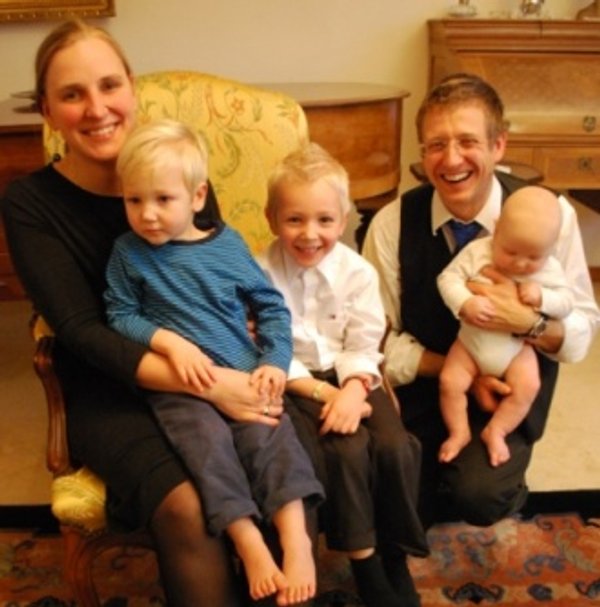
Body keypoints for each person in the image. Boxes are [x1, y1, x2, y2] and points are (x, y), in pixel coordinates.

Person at [0, 19, 288, 607]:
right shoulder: (29, 203)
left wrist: (251, 352)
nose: (96, 108)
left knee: (280, 459)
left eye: (109, 85)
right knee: (185, 504)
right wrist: (212, 386)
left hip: (212, 363)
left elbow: (222, 275)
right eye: (72, 94)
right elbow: (82, 331)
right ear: (48, 111)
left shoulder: (178, 173)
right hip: (110, 389)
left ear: (132, 87)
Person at [362, 73, 600, 529]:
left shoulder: (552, 216)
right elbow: (376, 340)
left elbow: (581, 333)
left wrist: (527, 321)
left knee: (479, 495)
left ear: (498, 145)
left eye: (468, 141)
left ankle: (497, 473)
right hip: (433, 382)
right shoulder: (392, 224)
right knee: (390, 495)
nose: (451, 159)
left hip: (510, 389)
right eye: (436, 145)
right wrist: (460, 373)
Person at [104, 119, 324, 606]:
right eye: (134, 200)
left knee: (275, 444)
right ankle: (248, 541)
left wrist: (275, 361)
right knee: (207, 449)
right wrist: (168, 342)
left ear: (197, 196)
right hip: (181, 390)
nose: (147, 214)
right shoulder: (128, 254)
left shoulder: (227, 246)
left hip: (246, 375)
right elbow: (119, 315)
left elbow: (271, 308)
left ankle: (296, 544)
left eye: (163, 199)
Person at [260, 143, 429, 607]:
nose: (310, 234)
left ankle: (395, 551)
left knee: (395, 446)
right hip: (296, 381)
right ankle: (364, 561)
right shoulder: (260, 274)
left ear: (344, 219)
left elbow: (365, 342)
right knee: (345, 449)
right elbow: (268, 350)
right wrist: (323, 393)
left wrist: (353, 390)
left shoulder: (358, 273)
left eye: (324, 220)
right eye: (294, 219)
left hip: (354, 373)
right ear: (272, 219)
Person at [437, 186, 574, 467]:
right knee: (449, 382)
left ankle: (497, 431)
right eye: (510, 251)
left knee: (529, 386)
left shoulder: (550, 268)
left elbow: (567, 303)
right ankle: (459, 431)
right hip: (470, 344)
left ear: (551, 248)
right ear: (497, 229)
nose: (521, 264)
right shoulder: (477, 251)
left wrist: (543, 297)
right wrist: (464, 302)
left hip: (516, 348)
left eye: (534, 257)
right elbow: (447, 279)